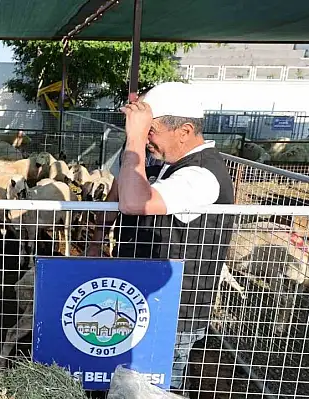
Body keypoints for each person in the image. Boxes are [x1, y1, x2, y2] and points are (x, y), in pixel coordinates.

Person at [88, 82, 235, 391]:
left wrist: (135, 141)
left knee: (156, 390)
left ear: (184, 131)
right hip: (144, 302)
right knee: (129, 385)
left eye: (150, 131)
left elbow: (133, 202)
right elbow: (119, 194)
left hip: (175, 313)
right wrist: (101, 229)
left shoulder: (201, 175)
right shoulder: (166, 162)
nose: (145, 138)